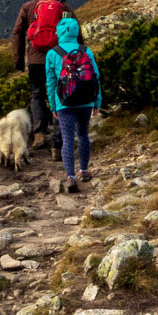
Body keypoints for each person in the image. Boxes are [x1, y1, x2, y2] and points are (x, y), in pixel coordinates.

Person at [43, 15, 102, 192]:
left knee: (67, 138)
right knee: (83, 134)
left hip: (64, 103)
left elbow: (51, 82)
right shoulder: (86, 50)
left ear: (58, 33)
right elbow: (96, 78)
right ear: (77, 31)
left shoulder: (53, 53)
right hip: (85, 101)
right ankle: (84, 170)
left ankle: (70, 176)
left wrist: (53, 105)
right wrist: (96, 101)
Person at [11, 0, 69, 154]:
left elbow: (17, 32)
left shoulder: (28, 7)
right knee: (60, 95)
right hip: (59, 59)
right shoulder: (63, 8)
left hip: (35, 61)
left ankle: (39, 134)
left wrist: (19, 60)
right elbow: (75, 33)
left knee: (37, 94)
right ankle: (57, 145)